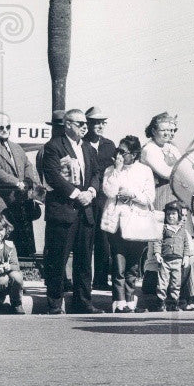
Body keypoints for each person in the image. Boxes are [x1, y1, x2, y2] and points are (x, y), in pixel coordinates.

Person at [41, 108, 103, 315]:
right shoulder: (54, 146)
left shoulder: (89, 149)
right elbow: (53, 176)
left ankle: (83, 302)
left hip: (85, 212)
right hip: (63, 211)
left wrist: (92, 192)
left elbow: (96, 173)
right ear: (68, 124)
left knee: (85, 260)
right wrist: (77, 194)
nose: (85, 127)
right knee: (58, 259)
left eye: (85, 124)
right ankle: (55, 303)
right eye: (80, 123)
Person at [100, 135, 155, 313]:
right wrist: (117, 170)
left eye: (123, 152)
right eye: (118, 151)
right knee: (118, 263)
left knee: (133, 265)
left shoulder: (145, 171)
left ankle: (131, 299)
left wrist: (132, 194)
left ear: (134, 154)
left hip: (137, 222)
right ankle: (119, 300)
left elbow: (149, 198)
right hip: (116, 223)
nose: (119, 155)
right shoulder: (111, 169)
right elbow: (109, 192)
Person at [0, 112, 41, 258]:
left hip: (19, 200)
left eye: (8, 126)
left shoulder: (17, 147)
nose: (5, 130)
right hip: (1, 200)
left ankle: (22, 266)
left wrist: (28, 181)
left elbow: (27, 165)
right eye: (1, 127)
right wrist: (16, 182)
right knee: (0, 234)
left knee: (21, 238)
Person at [84, 107, 116, 291]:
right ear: (88, 124)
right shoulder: (82, 144)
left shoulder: (109, 145)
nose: (100, 126)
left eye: (103, 122)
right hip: (88, 198)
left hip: (105, 199)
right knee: (86, 241)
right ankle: (85, 280)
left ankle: (101, 280)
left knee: (104, 240)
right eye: (96, 122)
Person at [149, 201, 191, 312]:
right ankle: (160, 302)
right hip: (165, 261)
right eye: (168, 214)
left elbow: (186, 245)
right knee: (162, 282)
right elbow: (158, 241)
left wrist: (186, 257)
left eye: (173, 214)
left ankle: (174, 303)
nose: (170, 216)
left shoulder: (182, 230)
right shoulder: (163, 228)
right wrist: (157, 253)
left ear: (179, 216)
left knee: (176, 283)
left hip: (178, 261)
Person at [140, 112, 181, 211]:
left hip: (176, 193)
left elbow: (182, 165)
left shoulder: (171, 146)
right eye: (163, 130)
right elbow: (166, 173)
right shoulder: (148, 149)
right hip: (159, 194)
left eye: (168, 130)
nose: (167, 133)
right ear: (154, 131)